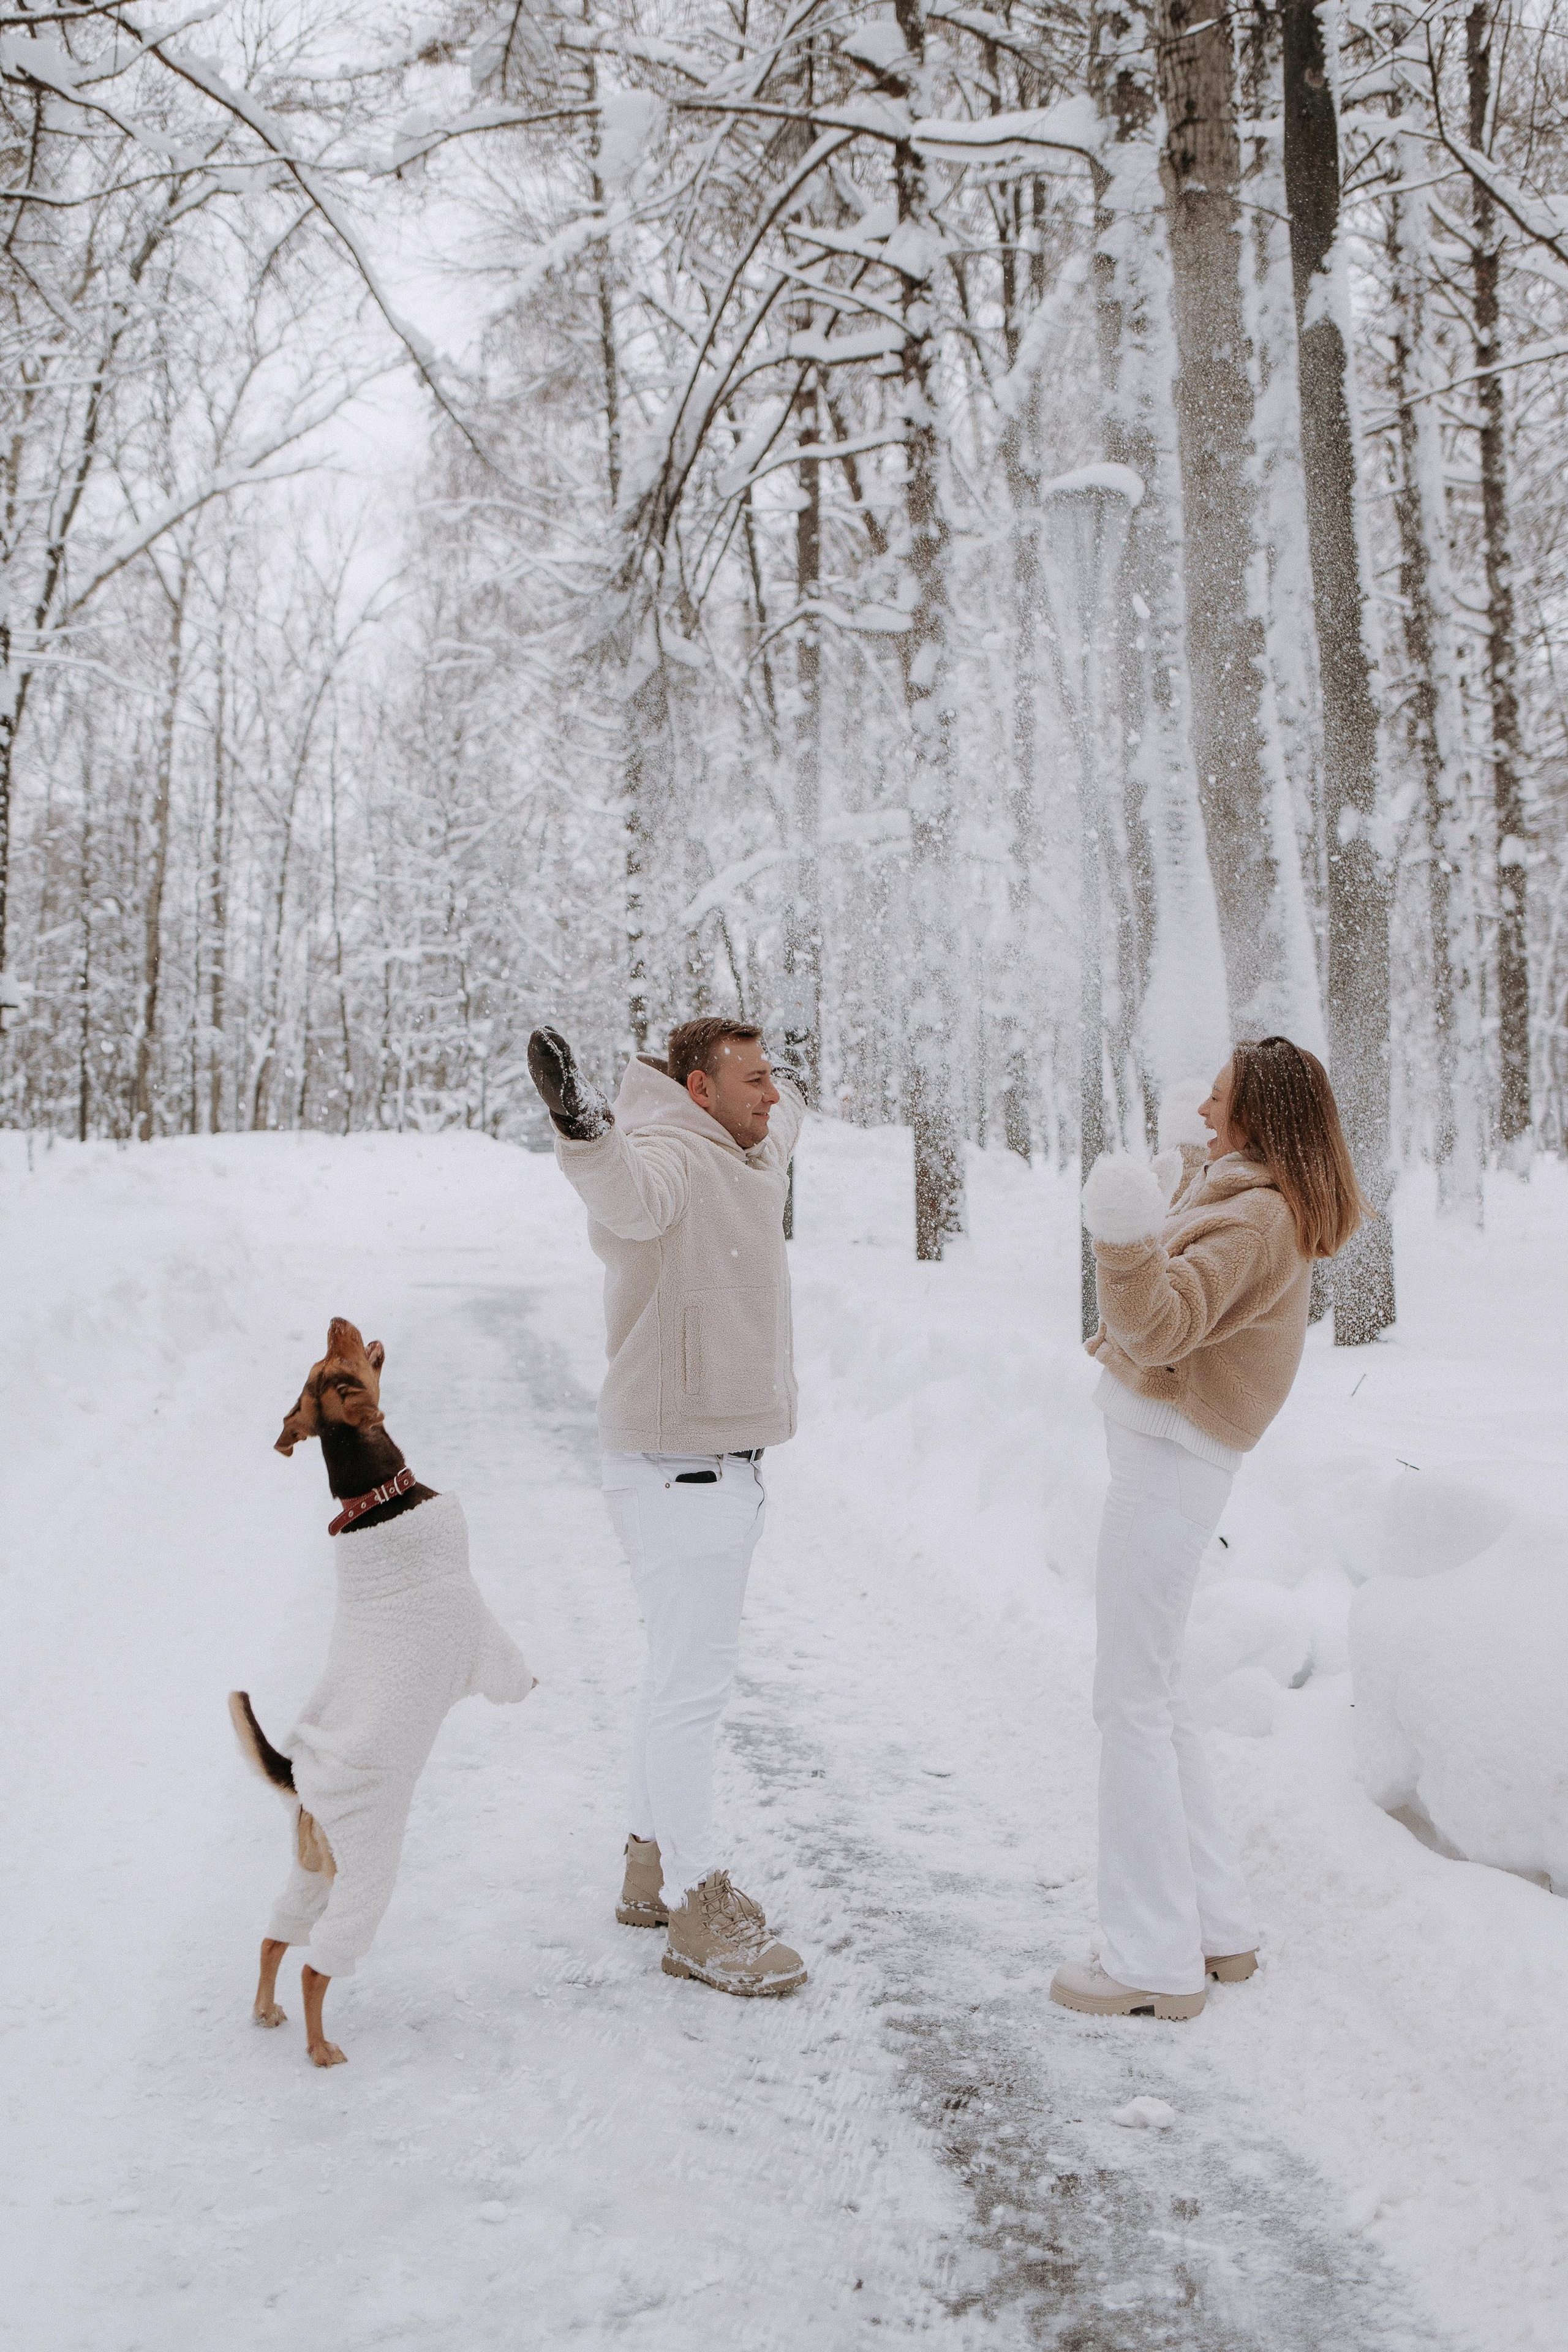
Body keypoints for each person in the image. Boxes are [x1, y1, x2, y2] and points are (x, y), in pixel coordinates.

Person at [1051, 1036, 1368, 2022]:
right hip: (1167, 1463)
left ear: (1257, 1118)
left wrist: (1124, 1235)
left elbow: (1161, 1326)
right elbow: (1203, 1220)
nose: (1200, 1114)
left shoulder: (1262, 1220)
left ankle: (1152, 1960)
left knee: (1129, 1705)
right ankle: (1217, 1929)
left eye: (1218, 1101)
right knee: (1158, 1696)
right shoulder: (1251, 1196)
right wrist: (1177, 1187)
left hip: (1169, 1466)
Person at [527, 1015, 809, 1999]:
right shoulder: (668, 1159)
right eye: (755, 1078)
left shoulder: (750, 1146)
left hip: (710, 1466)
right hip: (679, 1468)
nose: (773, 1093)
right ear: (696, 1088)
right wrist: (583, 1129)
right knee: (694, 1693)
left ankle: (648, 1870)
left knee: (674, 1674)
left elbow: (786, 1114)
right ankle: (695, 1905)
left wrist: (778, 1071)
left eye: (777, 1076)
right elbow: (625, 1193)